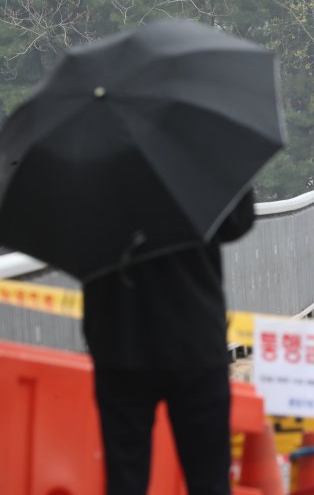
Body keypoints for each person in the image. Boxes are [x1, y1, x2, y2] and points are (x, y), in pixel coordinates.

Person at [82, 189, 256, 495]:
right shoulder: (196, 152)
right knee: (209, 480)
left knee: (125, 480)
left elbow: (68, 237)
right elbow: (237, 222)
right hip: (194, 338)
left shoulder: (88, 158)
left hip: (120, 337)